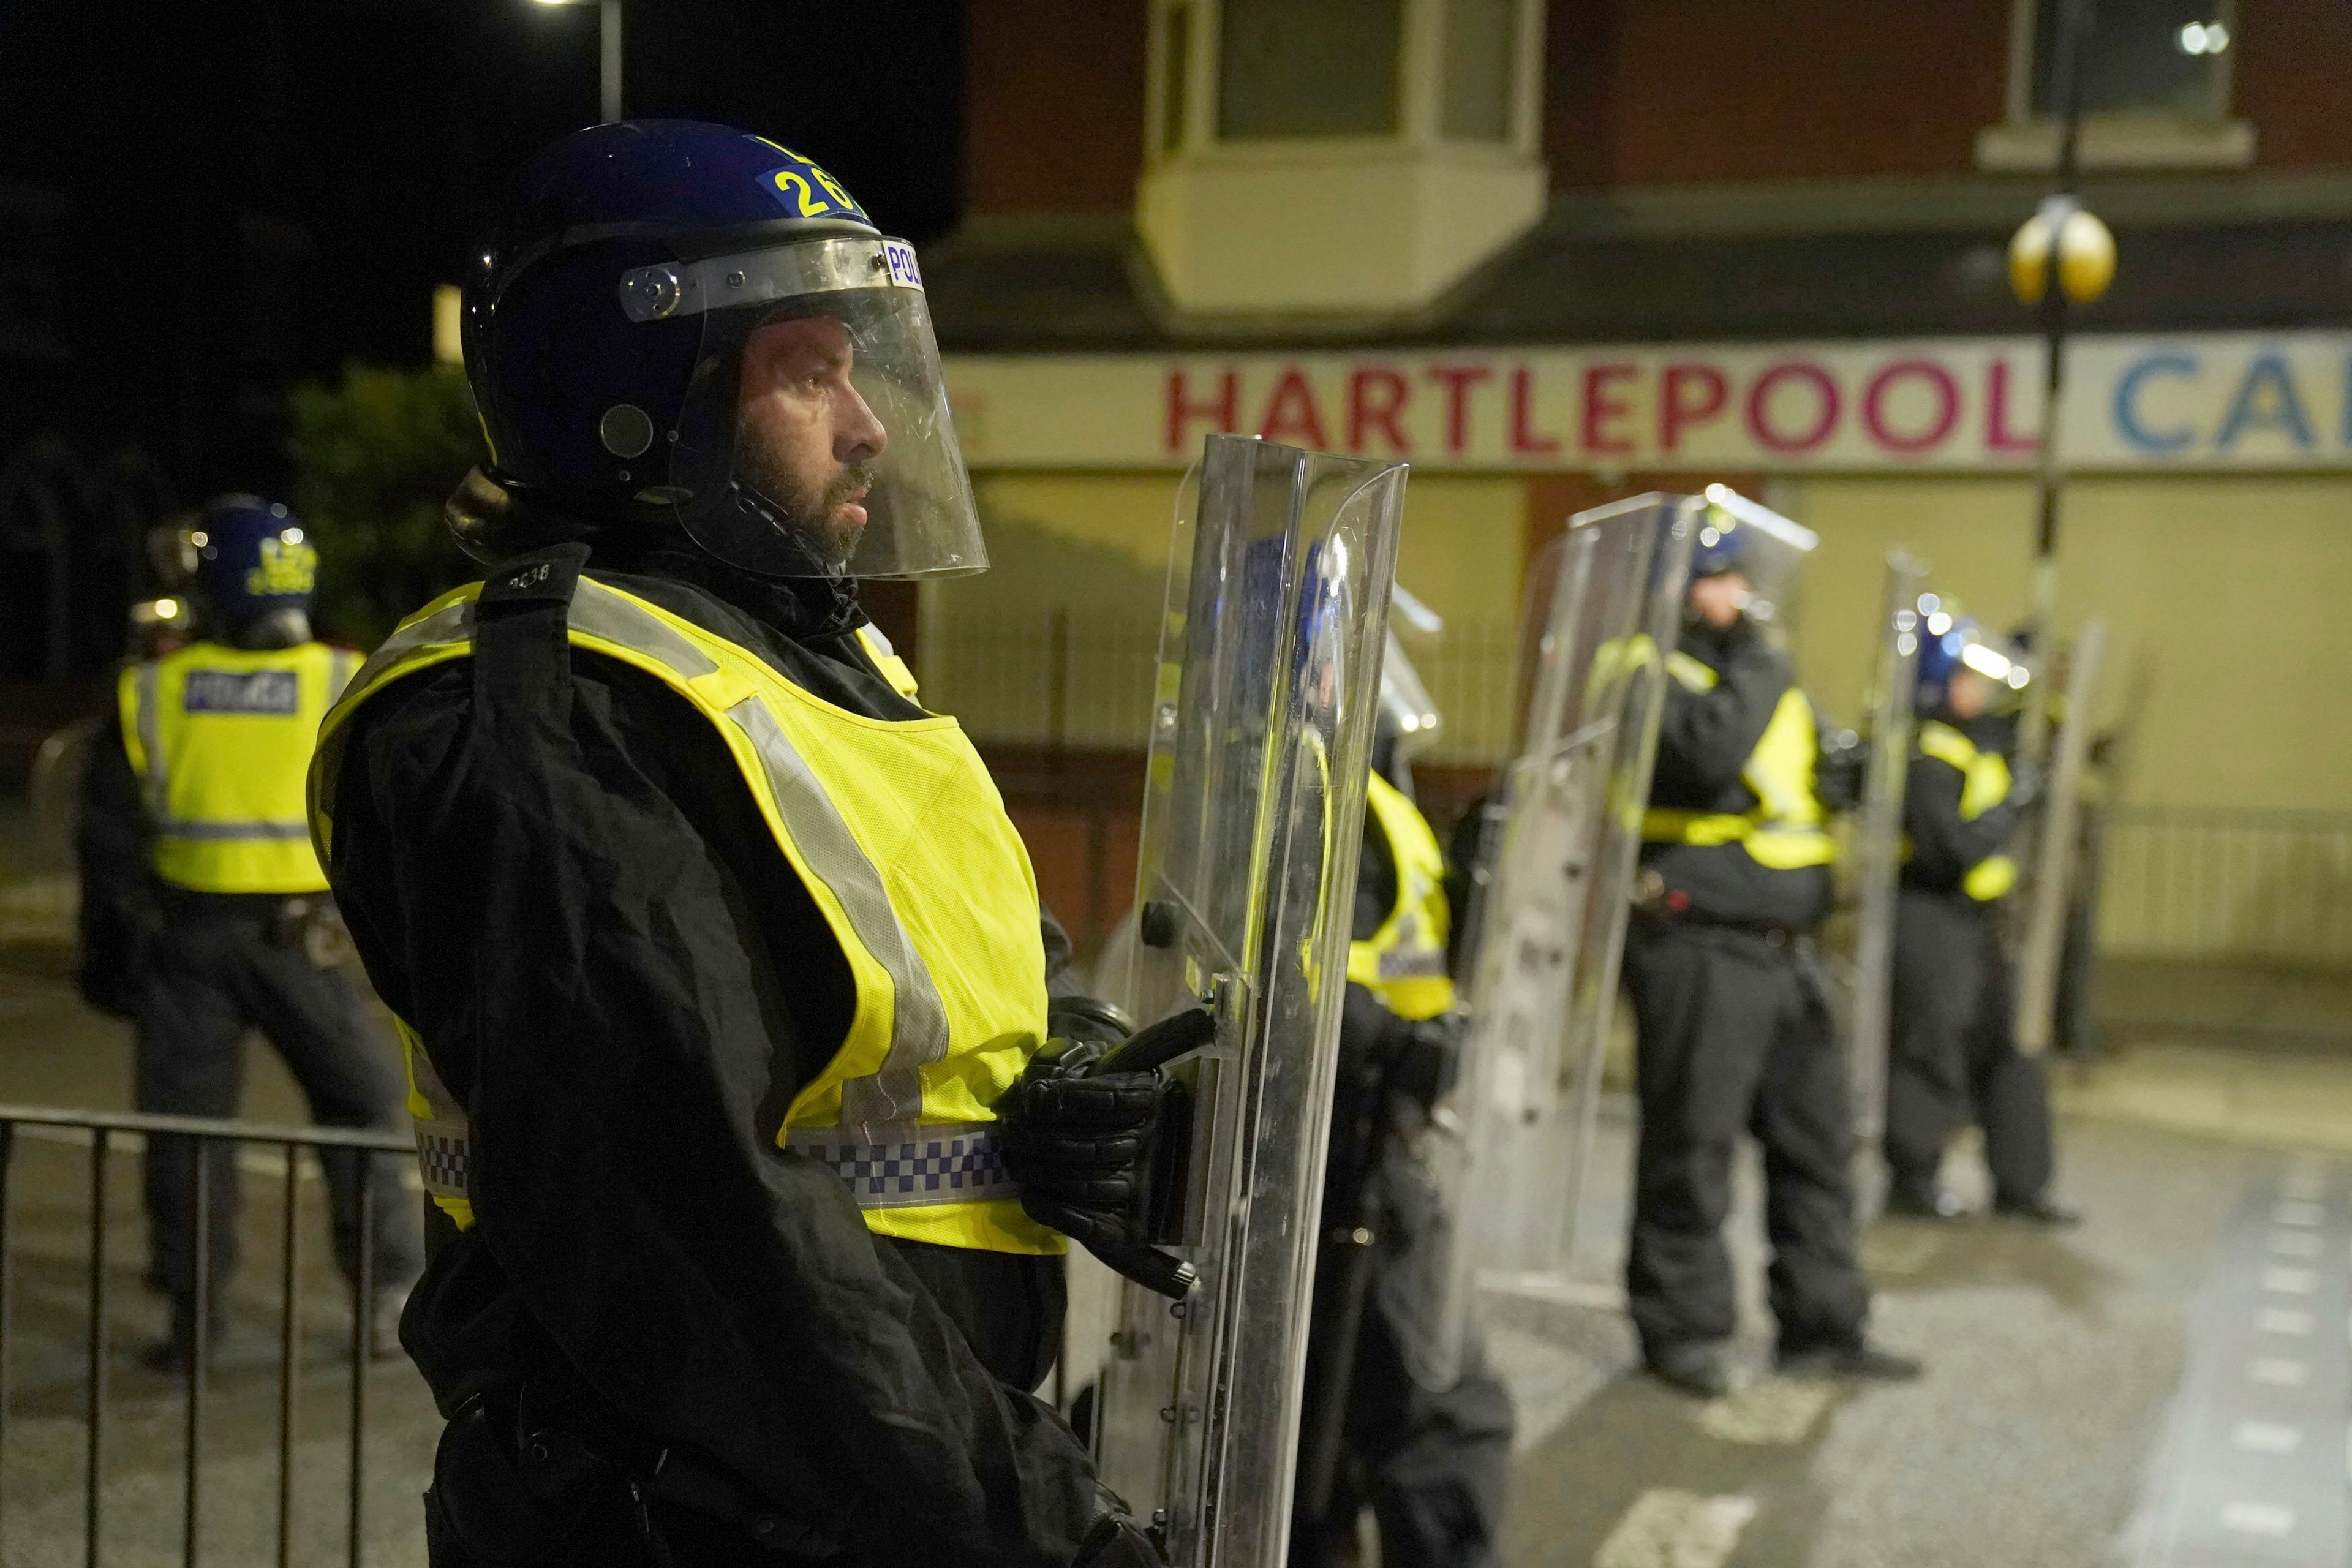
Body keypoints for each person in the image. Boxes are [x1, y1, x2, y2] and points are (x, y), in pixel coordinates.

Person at [306, 121, 1160, 1566]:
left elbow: (981, 961)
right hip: (687, 1514)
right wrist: (1051, 1530)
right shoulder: (543, 710)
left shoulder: (816, 664)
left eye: (857, 366)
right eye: (808, 372)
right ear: (642, 399)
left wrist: (1068, 1068)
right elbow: (706, 1231)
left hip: (884, 1496)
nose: (870, 422)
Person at [78, 494, 423, 1370]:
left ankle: (195, 1321)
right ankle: (385, 1301)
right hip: (304, 941)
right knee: (361, 1113)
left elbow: (109, 843)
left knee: (190, 1135)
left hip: (185, 944)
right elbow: (395, 819)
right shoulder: (344, 677)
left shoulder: (153, 689)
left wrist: (107, 960)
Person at [1623, 513, 1920, 1397]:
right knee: (1694, 1146)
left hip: (1784, 949)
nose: (1733, 596)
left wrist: (1843, 771)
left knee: (1817, 1145)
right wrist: (1765, 661)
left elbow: (1785, 774)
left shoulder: (1747, 672)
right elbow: (1703, 753)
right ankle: (1683, 1332)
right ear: (1669, 589)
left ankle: (1824, 1324)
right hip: (1701, 942)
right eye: (1713, 580)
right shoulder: (1641, 667)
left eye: (1735, 579)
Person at [1292, 640, 1514, 1568]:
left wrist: (1484, 870)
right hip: (1352, 1132)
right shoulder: (1310, 789)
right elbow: (1290, 971)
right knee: (1437, 1396)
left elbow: (1398, 946)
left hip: (1377, 1124)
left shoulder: (1360, 788)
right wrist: (1403, 1046)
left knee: (1338, 1397)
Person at [1883, 615, 2075, 1224]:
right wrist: (2009, 808)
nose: (1980, 691)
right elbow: (1953, 847)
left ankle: (2022, 1184)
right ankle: (1912, 1179)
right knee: (1930, 1048)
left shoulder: (1975, 741)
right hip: (1931, 913)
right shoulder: (1927, 755)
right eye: (1967, 678)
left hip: (1978, 921)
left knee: (2010, 1048)